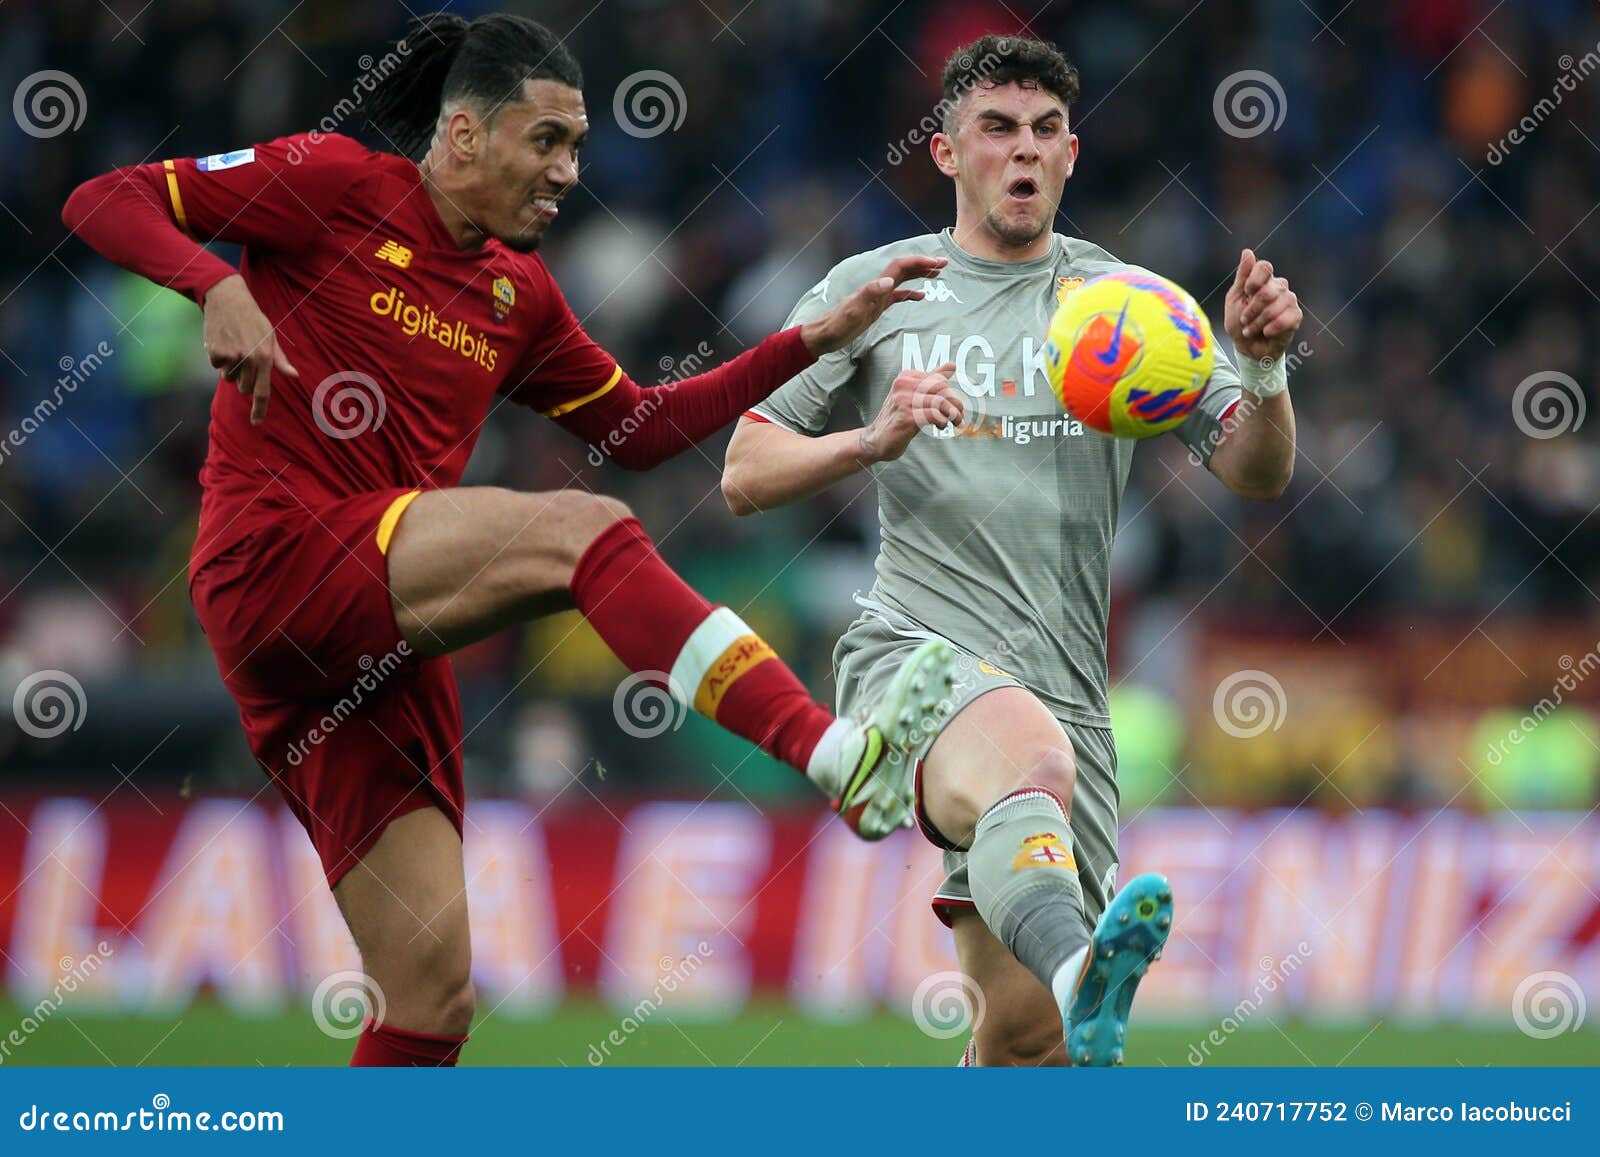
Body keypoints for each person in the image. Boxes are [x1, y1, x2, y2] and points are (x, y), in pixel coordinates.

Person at [60, 10, 960, 1066]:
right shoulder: (335, 180)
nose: (569, 170)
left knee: (432, 999)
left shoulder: (516, 294)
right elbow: (101, 197)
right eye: (547, 141)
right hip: (276, 559)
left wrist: (810, 341)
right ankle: (828, 747)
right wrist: (215, 282)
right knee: (581, 534)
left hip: (372, 644)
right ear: (464, 135)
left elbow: (640, 427)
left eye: (577, 145)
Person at [722, 34, 1300, 1066]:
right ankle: (1085, 965)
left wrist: (1258, 372)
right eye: (995, 128)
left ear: (1070, 154)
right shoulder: (880, 287)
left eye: (1042, 131)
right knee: (1023, 763)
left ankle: (1060, 986)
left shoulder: (1125, 305)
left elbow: (1251, 470)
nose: (1021, 150)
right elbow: (743, 469)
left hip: (1068, 691)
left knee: (1026, 1045)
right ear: (946, 151)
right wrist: (869, 439)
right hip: (914, 659)